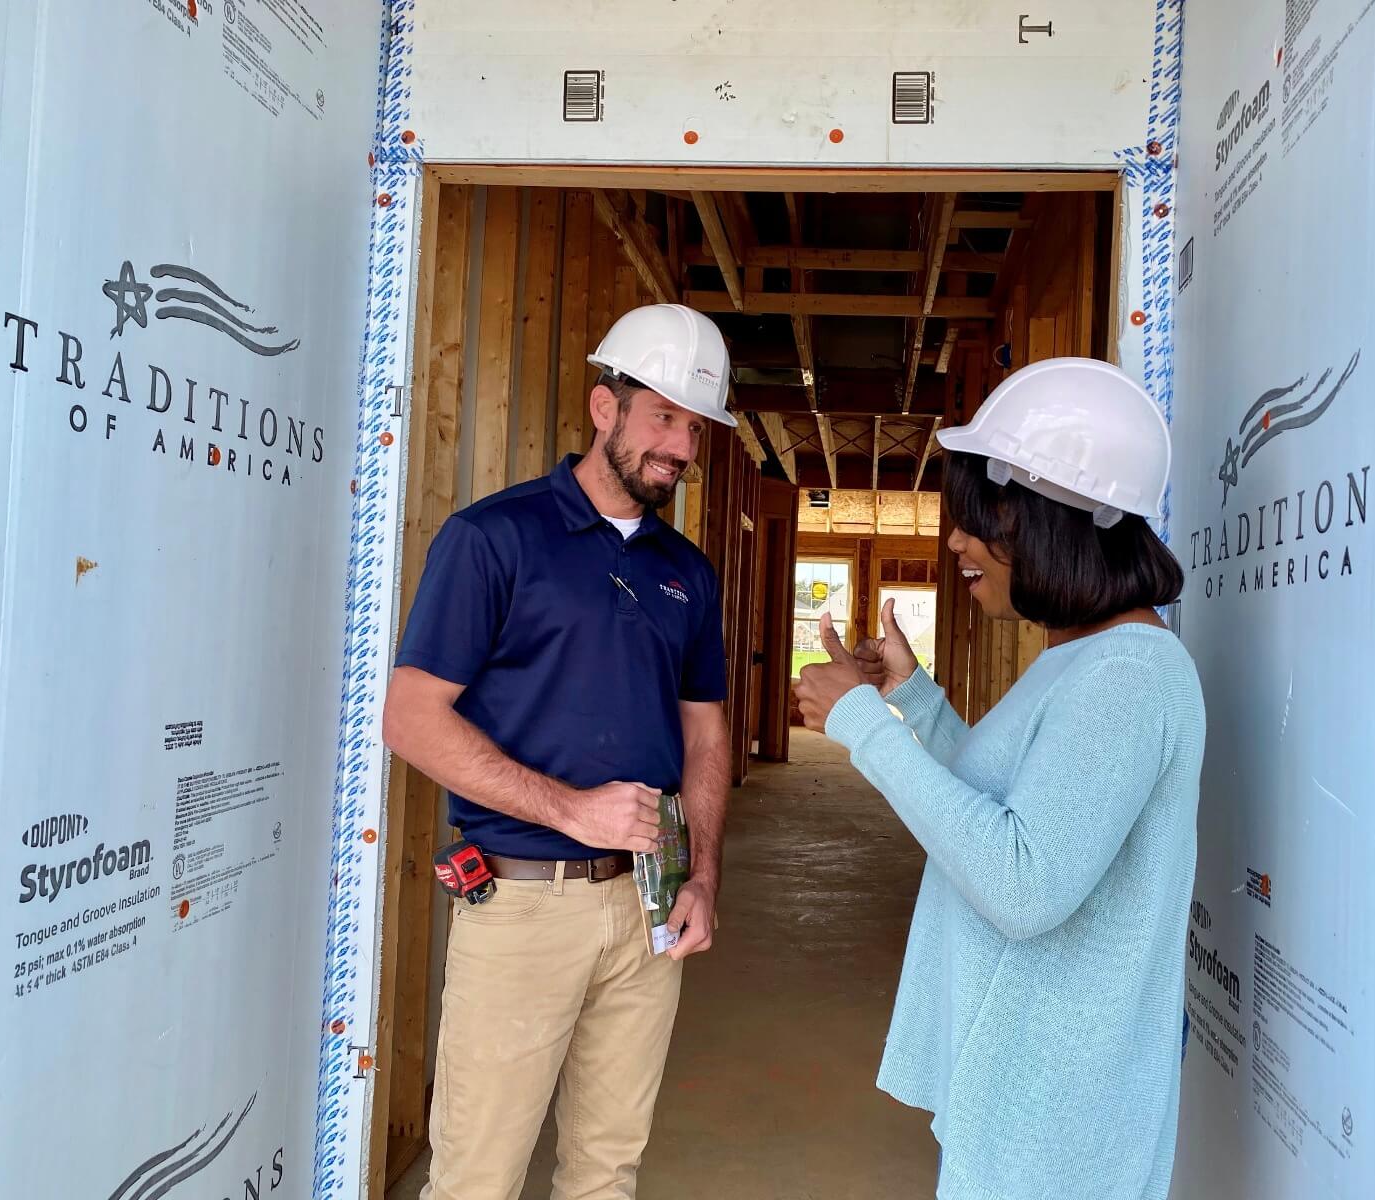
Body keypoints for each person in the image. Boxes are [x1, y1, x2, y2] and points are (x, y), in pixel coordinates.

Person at [793, 358, 1205, 1200]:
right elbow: (1005, 808)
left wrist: (863, 728)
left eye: (982, 521)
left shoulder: (1128, 675)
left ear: (1054, 522)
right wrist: (909, 696)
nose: (956, 543)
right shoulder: (1087, 656)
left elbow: (1023, 883)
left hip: (1058, 1125)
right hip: (1031, 1101)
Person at [383, 303, 736, 1200]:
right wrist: (570, 809)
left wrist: (701, 878)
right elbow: (412, 719)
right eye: (664, 417)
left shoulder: (688, 572)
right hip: (522, 907)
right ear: (604, 407)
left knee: (607, 1172)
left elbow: (705, 731)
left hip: (649, 905)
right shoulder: (493, 538)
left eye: (695, 428)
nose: (682, 447)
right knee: (477, 1178)